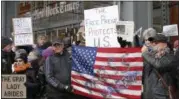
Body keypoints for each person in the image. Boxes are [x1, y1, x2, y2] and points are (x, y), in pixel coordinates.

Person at [141, 34, 175, 99]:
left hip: (161, 95)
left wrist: (145, 53)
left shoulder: (170, 56)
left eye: (156, 42)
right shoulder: (151, 56)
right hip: (148, 94)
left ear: (165, 44)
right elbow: (143, 75)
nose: (153, 44)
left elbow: (159, 65)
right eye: (152, 42)